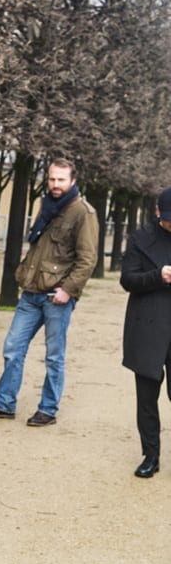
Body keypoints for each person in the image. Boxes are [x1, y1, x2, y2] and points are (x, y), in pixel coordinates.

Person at [0, 157, 98, 427]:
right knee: (12, 347)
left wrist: (68, 291)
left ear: (73, 181)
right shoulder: (48, 205)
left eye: (61, 180)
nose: (55, 184)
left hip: (57, 297)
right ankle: (5, 403)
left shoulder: (83, 212)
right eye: (52, 179)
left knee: (54, 356)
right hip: (31, 293)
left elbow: (87, 259)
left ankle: (48, 409)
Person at [120, 187, 171, 478]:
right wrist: (159, 275)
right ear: (157, 213)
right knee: (147, 400)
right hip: (148, 329)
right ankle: (150, 455)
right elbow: (128, 279)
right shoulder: (141, 239)